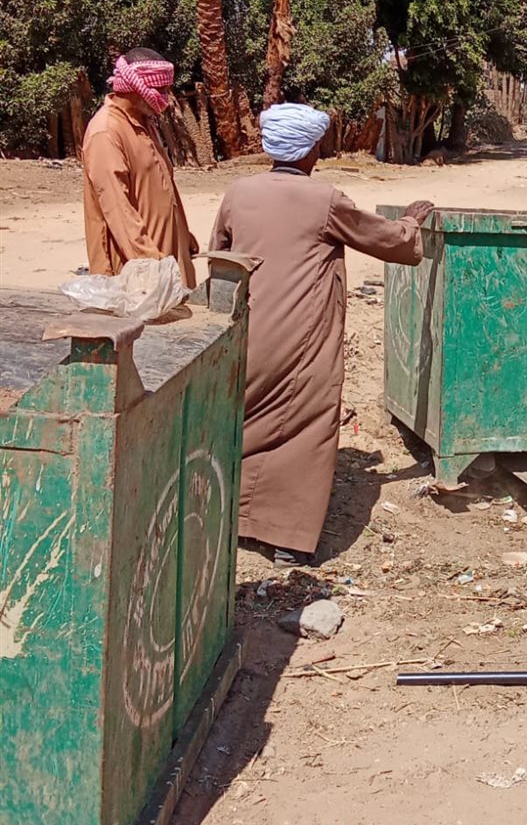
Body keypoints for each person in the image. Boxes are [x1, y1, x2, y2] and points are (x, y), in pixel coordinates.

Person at [211, 102, 433, 566]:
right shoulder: (324, 199)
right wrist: (412, 221)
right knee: (304, 423)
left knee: (247, 415)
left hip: (247, 325)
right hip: (300, 333)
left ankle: (230, 515)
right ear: (310, 150)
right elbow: (388, 241)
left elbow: (220, 256)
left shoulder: (238, 192)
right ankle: (285, 537)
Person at [82, 48, 199, 288]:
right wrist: (150, 261)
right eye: (160, 90)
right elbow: (118, 210)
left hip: (167, 263)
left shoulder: (144, 123)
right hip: (138, 272)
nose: (166, 97)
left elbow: (163, 189)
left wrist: (183, 236)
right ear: (135, 87)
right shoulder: (106, 131)